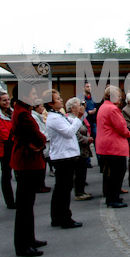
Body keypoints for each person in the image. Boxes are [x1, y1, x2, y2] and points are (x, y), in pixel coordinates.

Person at [10, 83, 48, 257]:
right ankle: (23, 245)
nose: (35, 96)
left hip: (28, 160)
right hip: (26, 161)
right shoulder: (23, 114)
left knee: (28, 204)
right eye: (32, 93)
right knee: (25, 206)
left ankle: (29, 238)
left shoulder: (22, 111)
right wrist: (41, 141)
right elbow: (38, 135)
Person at [46, 90, 85, 229]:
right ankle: (65, 218)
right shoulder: (54, 118)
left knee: (60, 189)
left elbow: (70, 125)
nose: (61, 100)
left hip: (64, 155)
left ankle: (57, 217)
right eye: (57, 99)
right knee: (64, 190)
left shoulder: (58, 115)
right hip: (63, 157)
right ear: (50, 103)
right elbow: (69, 132)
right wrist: (79, 117)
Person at [96, 86, 130, 208]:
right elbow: (121, 127)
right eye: (118, 96)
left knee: (112, 173)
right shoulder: (112, 109)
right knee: (118, 173)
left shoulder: (104, 107)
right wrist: (129, 134)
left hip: (106, 144)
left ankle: (112, 196)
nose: (120, 98)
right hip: (114, 145)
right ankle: (113, 198)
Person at [0, 91, 16, 209]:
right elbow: (2, 133)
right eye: (4, 100)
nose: (7, 102)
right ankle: (10, 201)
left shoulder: (12, 113)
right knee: (7, 175)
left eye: (8, 100)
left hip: (14, 146)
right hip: (5, 148)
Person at [65, 97, 93, 201]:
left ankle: (81, 191)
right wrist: (87, 139)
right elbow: (76, 135)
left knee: (82, 171)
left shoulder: (78, 118)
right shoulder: (70, 119)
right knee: (79, 172)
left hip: (83, 149)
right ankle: (79, 192)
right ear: (72, 108)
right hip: (78, 149)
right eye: (78, 105)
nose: (81, 107)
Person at [31, 100, 52, 193]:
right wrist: (47, 136)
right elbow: (40, 130)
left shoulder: (38, 116)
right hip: (43, 142)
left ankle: (41, 184)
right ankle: (39, 185)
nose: (43, 109)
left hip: (45, 141)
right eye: (41, 106)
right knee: (40, 168)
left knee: (43, 166)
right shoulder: (34, 117)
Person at [79, 82, 98, 168]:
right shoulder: (80, 97)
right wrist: (87, 112)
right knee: (86, 141)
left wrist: (95, 109)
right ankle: (87, 161)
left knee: (97, 140)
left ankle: (99, 160)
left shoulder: (93, 97)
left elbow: (96, 105)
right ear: (83, 87)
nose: (89, 88)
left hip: (93, 121)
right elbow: (80, 108)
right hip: (85, 121)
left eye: (90, 86)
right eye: (87, 86)